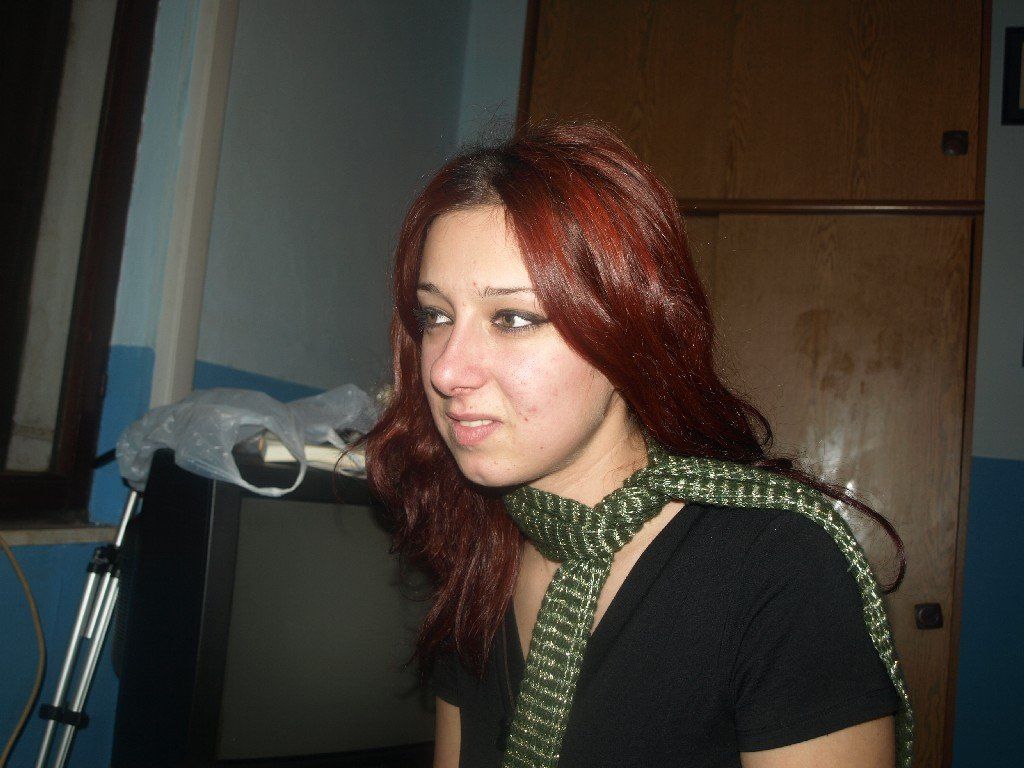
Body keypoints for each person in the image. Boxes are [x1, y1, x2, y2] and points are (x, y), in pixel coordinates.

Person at [363, 120, 912, 768]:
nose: (446, 370)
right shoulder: (477, 547)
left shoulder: (776, 569)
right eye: (435, 316)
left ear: (626, 332)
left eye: (512, 318)